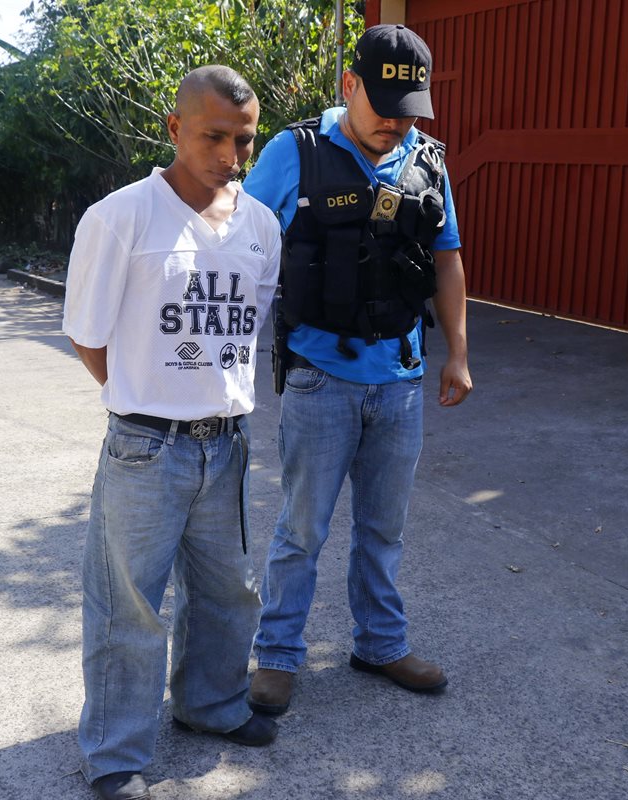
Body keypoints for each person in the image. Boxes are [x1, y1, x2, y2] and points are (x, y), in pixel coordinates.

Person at [62, 65, 281, 800]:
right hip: (145, 447)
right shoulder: (120, 218)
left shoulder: (261, 225)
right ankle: (115, 752)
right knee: (129, 604)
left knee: (229, 593)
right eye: (214, 136)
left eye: (243, 140)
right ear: (175, 127)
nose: (230, 155)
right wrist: (143, 400)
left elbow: (250, 330)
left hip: (228, 442)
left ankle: (212, 706)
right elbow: (89, 338)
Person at [242, 24, 473, 716]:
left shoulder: (427, 161)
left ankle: (380, 643)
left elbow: (447, 259)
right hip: (320, 377)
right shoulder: (294, 153)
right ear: (349, 87)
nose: (396, 123)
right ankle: (278, 655)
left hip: (400, 380)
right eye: (384, 105)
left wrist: (458, 351)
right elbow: (239, 245)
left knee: (384, 528)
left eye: (410, 109)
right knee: (302, 528)